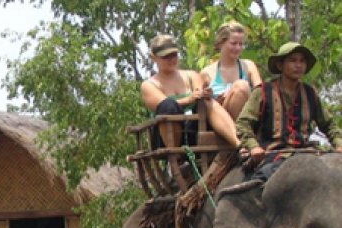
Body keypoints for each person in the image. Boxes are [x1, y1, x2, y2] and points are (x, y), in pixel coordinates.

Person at [236, 42, 342, 181]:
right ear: (281, 65)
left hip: (306, 153)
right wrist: (254, 147)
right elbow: (244, 123)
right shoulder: (263, 91)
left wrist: (339, 144)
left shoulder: (310, 93)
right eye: (293, 60)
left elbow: (329, 125)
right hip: (272, 155)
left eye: (302, 61)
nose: (298, 65)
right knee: (261, 181)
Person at [141, 34, 239, 149]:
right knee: (168, 105)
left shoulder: (191, 75)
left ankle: (238, 143)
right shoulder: (149, 85)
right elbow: (162, 106)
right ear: (154, 57)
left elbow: (199, 94)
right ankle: (175, 156)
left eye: (174, 55)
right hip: (167, 137)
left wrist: (206, 94)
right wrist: (189, 99)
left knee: (207, 101)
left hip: (195, 129)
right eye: (166, 56)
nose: (172, 59)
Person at [200, 21, 262, 121]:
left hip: (247, 117)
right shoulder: (207, 73)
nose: (238, 48)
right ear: (221, 43)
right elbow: (200, 104)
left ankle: (241, 131)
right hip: (220, 120)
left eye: (241, 44)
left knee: (241, 87)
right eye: (233, 43)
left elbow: (261, 95)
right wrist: (215, 100)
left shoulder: (249, 66)